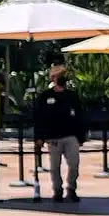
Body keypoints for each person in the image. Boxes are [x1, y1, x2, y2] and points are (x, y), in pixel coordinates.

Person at [34, 65, 86, 203]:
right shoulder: (45, 96)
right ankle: (57, 190)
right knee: (54, 167)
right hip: (53, 138)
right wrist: (39, 137)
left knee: (74, 164)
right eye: (59, 76)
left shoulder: (71, 96)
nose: (62, 78)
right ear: (53, 78)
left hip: (71, 136)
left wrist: (81, 137)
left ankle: (71, 189)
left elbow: (80, 116)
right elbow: (39, 118)